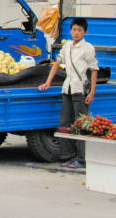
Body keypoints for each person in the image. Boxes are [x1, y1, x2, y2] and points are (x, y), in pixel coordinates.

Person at [39, 17, 99, 168]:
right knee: (65, 123)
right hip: (67, 89)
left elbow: (94, 70)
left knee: (80, 124)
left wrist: (92, 92)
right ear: (71, 31)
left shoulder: (88, 48)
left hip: (80, 90)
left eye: (79, 30)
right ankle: (68, 155)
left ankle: (81, 158)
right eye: (74, 30)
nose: (76, 33)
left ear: (85, 32)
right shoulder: (67, 47)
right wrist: (48, 81)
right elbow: (56, 64)